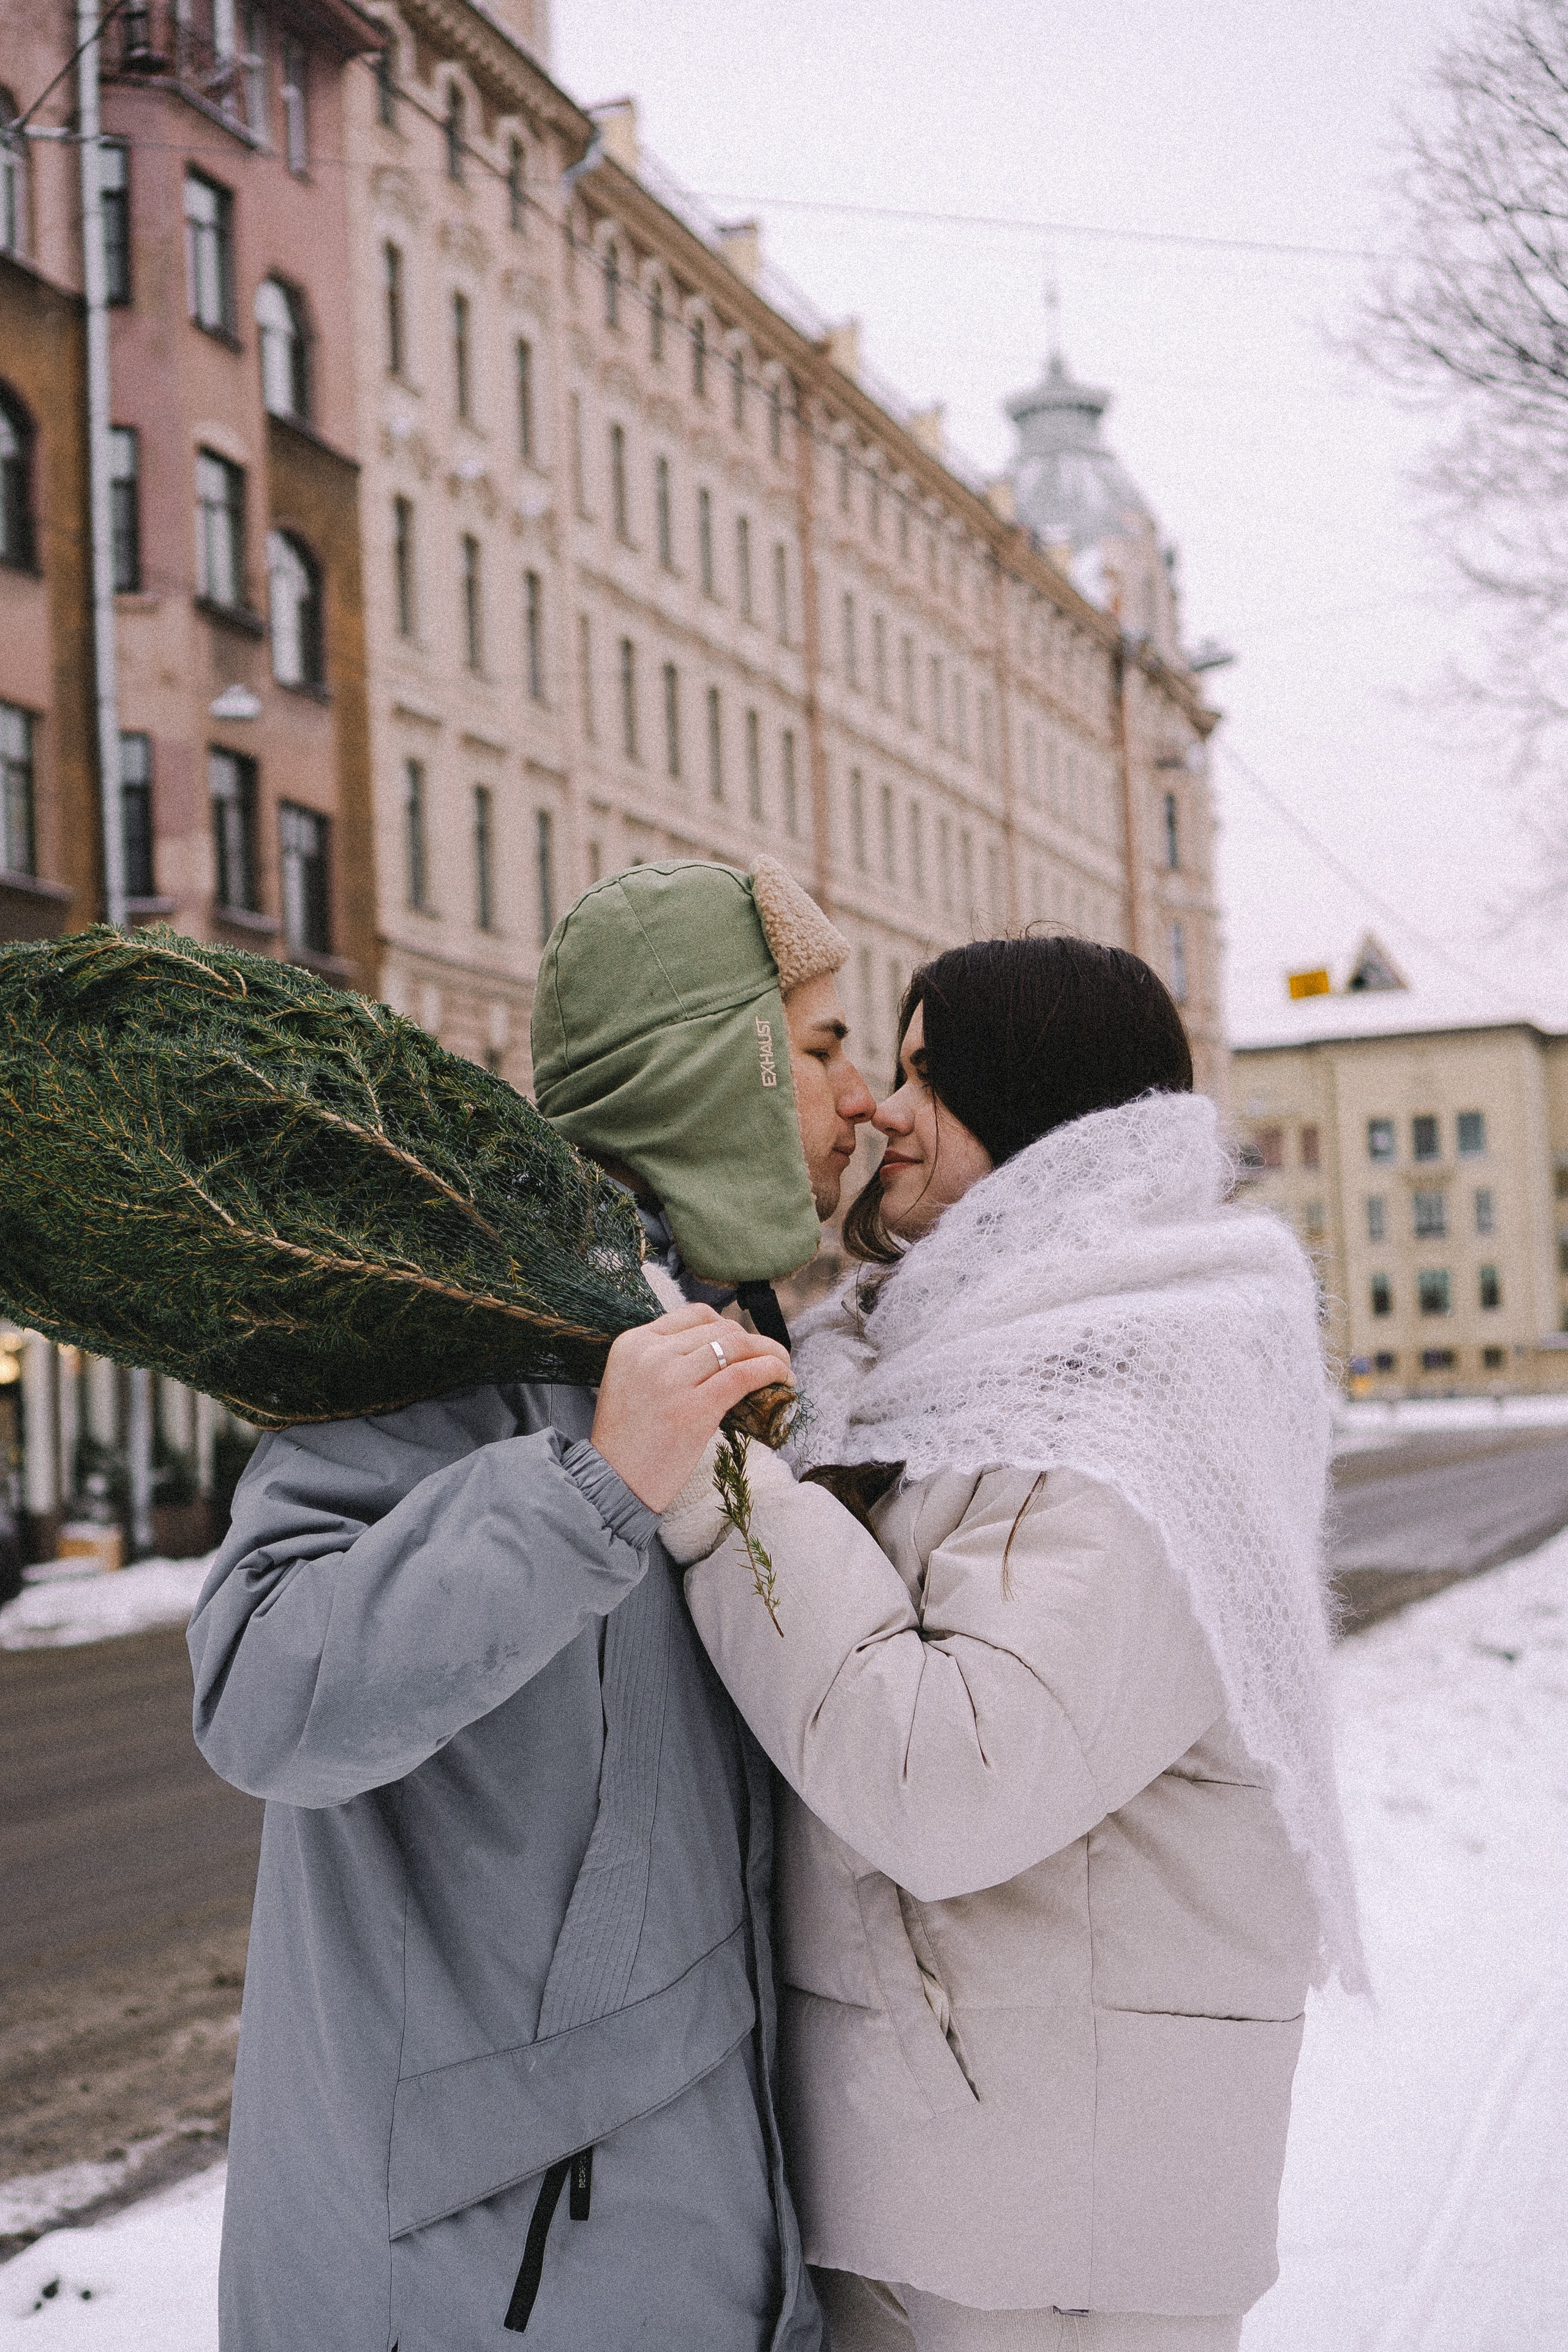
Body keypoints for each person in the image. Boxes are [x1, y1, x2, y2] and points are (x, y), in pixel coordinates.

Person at [187, 856, 873, 2352]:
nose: (865, 1101)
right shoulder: (445, 1332)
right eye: (821, 1050)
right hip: (478, 2267)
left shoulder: (712, 1341)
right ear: (715, 1072)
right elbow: (260, 1690)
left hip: (659, 2232)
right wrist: (586, 1490)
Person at [658, 935, 1366, 2352]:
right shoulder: (927, 1357)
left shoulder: (1147, 1387)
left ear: (1038, 1107)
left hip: (1056, 2223)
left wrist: (709, 1480)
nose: (881, 1110)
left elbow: (952, 1778)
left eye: (930, 1075)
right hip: (952, 2164)